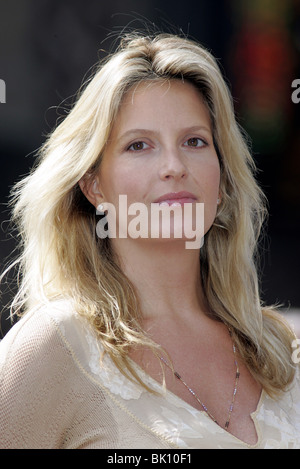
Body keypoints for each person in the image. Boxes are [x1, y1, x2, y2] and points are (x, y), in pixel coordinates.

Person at [0, 32, 299, 450]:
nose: (174, 166)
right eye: (139, 145)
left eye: (195, 141)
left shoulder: (282, 347)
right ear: (93, 187)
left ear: (223, 179)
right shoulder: (56, 344)